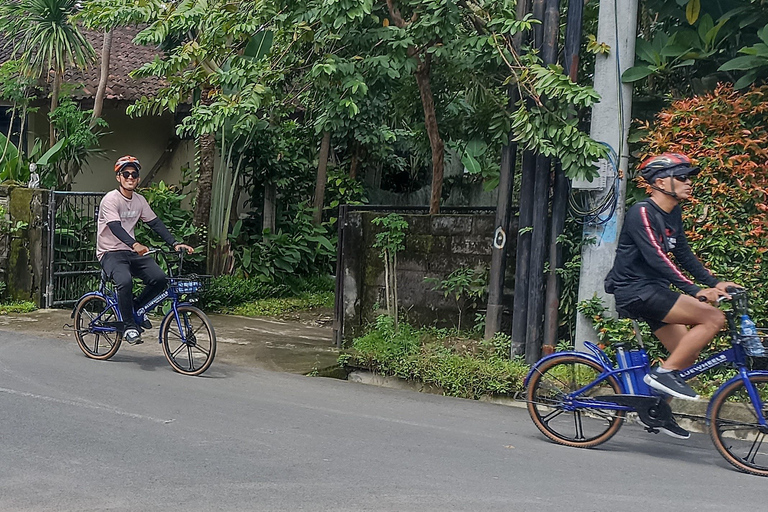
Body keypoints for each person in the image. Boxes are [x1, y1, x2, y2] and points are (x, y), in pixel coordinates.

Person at [604, 152, 739, 439]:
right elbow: (656, 257)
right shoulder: (642, 211)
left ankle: (655, 411)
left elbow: (683, 255)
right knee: (713, 318)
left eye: (688, 177)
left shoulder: (673, 213)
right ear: (660, 182)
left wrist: (716, 282)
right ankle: (661, 375)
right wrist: (695, 290)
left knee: (685, 355)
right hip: (636, 290)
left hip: (654, 291)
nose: (689, 183)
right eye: (682, 177)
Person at [96, 155, 194, 345]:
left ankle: (137, 309)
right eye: (126, 174)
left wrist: (175, 243)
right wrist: (135, 244)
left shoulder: (139, 201)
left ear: (138, 178)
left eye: (134, 174)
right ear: (119, 177)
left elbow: (155, 223)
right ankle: (129, 326)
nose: (130, 177)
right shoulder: (111, 199)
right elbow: (115, 227)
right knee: (124, 281)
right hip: (110, 252)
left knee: (159, 279)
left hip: (130, 252)